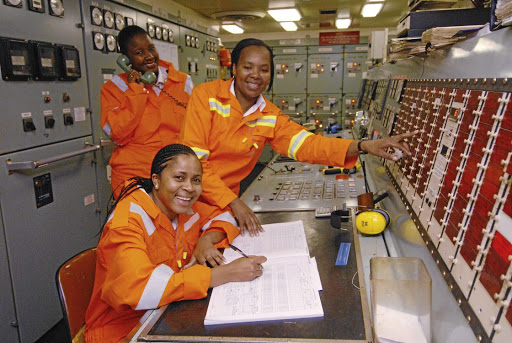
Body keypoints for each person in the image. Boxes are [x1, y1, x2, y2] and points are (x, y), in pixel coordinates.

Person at [180, 38, 418, 236]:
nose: (256, 75)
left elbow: (308, 145)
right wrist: (234, 203)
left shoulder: (269, 115)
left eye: (264, 69)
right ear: (233, 68)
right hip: (188, 196)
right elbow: (195, 164)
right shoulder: (206, 97)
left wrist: (364, 145)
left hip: (224, 203)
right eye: (247, 67)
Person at [85, 144, 266, 343]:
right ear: (156, 180)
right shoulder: (127, 222)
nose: (189, 187)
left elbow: (227, 217)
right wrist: (220, 274)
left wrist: (205, 240)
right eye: (179, 178)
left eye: (196, 180)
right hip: (124, 331)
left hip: (166, 313)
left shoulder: (183, 208)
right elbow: (140, 288)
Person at [101, 25, 193, 198]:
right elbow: (117, 134)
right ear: (126, 59)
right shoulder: (113, 88)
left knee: (177, 225)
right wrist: (135, 91)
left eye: (151, 48)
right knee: (137, 224)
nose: (149, 56)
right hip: (135, 177)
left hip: (176, 174)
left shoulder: (183, 81)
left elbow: (196, 128)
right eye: (139, 52)